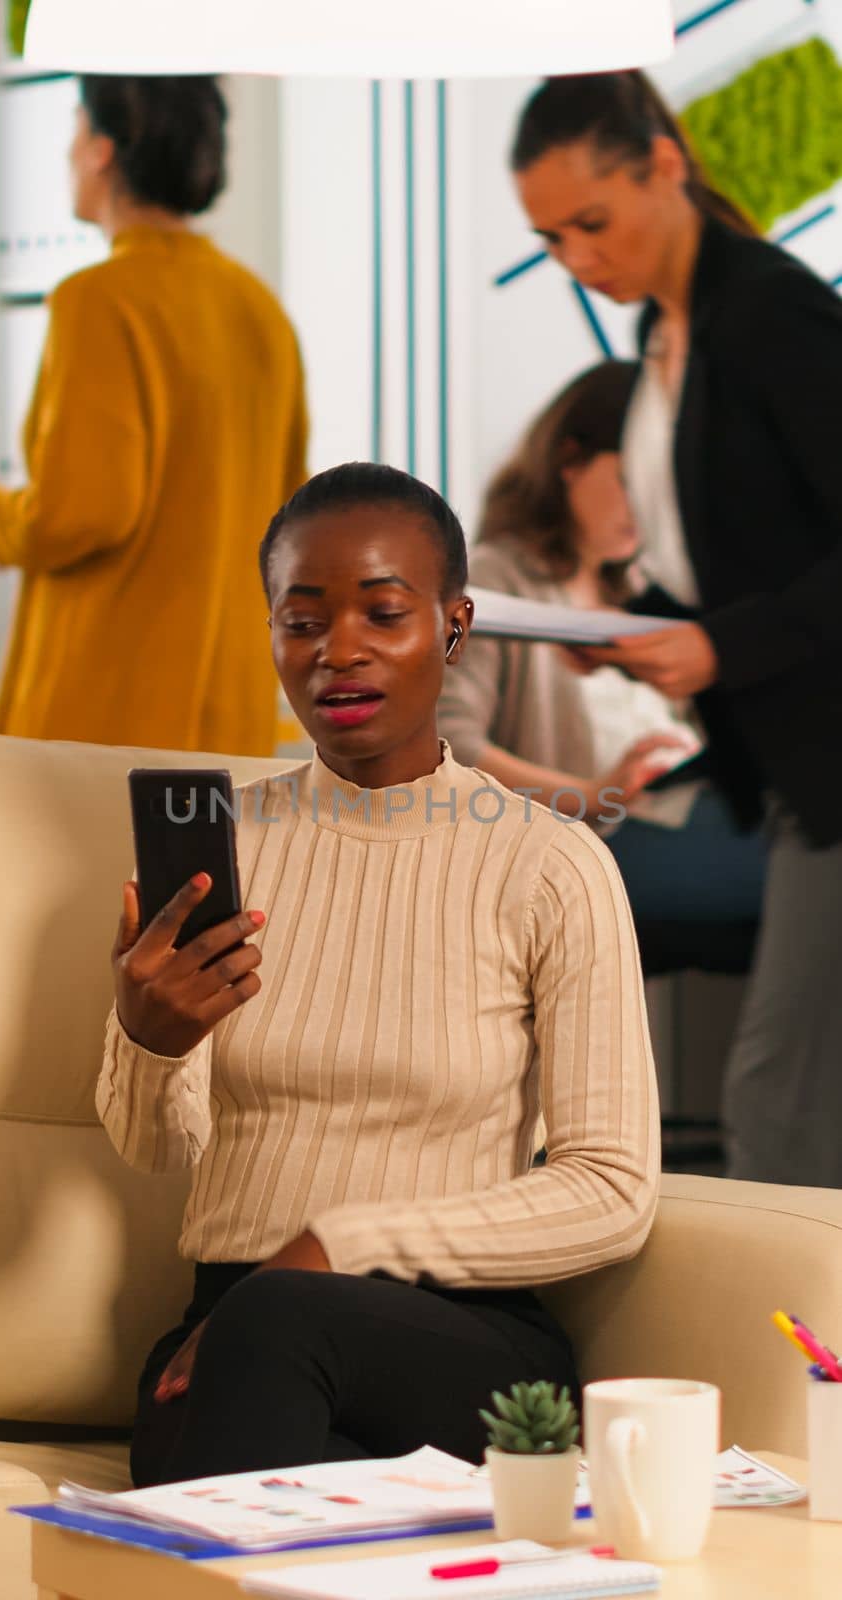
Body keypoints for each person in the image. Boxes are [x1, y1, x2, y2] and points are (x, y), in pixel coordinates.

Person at [97, 461, 659, 1487]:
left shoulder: (551, 863)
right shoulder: (219, 848)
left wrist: (336, 1242)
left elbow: (613, 1187)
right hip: (234, 1321)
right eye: (300, 621)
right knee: (263, 1409)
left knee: (264, 1345)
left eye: (383, 613)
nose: (337, 651)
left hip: (465, 1339)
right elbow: (152, 1149)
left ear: (452, 626)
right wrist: (150, 1039)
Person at [508, 71, 842, 1186]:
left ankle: (786, 1354)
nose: (577, 261)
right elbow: (737, 560)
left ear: (664, 165)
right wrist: (637, 626)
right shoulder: (666, 330)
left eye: (592, 224)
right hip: (795, 762)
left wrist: (718, 648)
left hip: (829, 753)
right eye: (551, 239)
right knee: (789, 1088)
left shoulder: (767, 312)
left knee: (778, 1092)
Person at [0, 76, 307, 755]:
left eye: (76, 130)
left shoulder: (97, 300)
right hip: (228, 709)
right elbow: (290, 510)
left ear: (101, 151)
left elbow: (80, 513)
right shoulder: (259, 309)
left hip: (105, 714)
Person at [437, 360, 766, 942]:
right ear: (569, 461)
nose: (652, 511)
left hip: (678, 817)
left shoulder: (645, 594)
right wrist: (595, 797)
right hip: (588, 843)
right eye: (637, 483)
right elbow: (452, 752)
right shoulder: (496, 579)